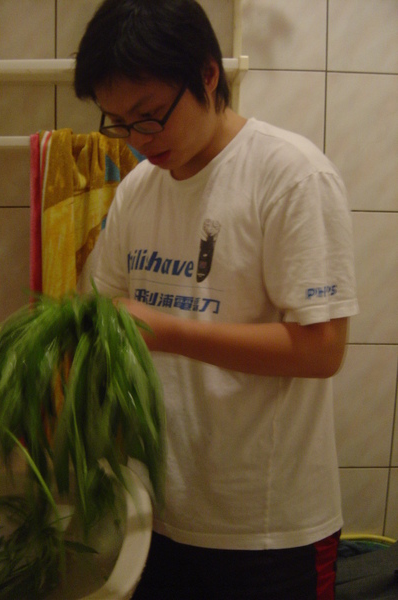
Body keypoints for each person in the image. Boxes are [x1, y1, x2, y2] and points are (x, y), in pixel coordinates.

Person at [74, 1, 359, 598]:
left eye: (150, 115)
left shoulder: (291, 175)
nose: (139, 140)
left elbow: (322, 349)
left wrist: (172, 332)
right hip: (157, 512)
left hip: (267, 529)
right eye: (119, 122)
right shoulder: (138, 190)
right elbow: (105, 315)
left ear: (207, 74)